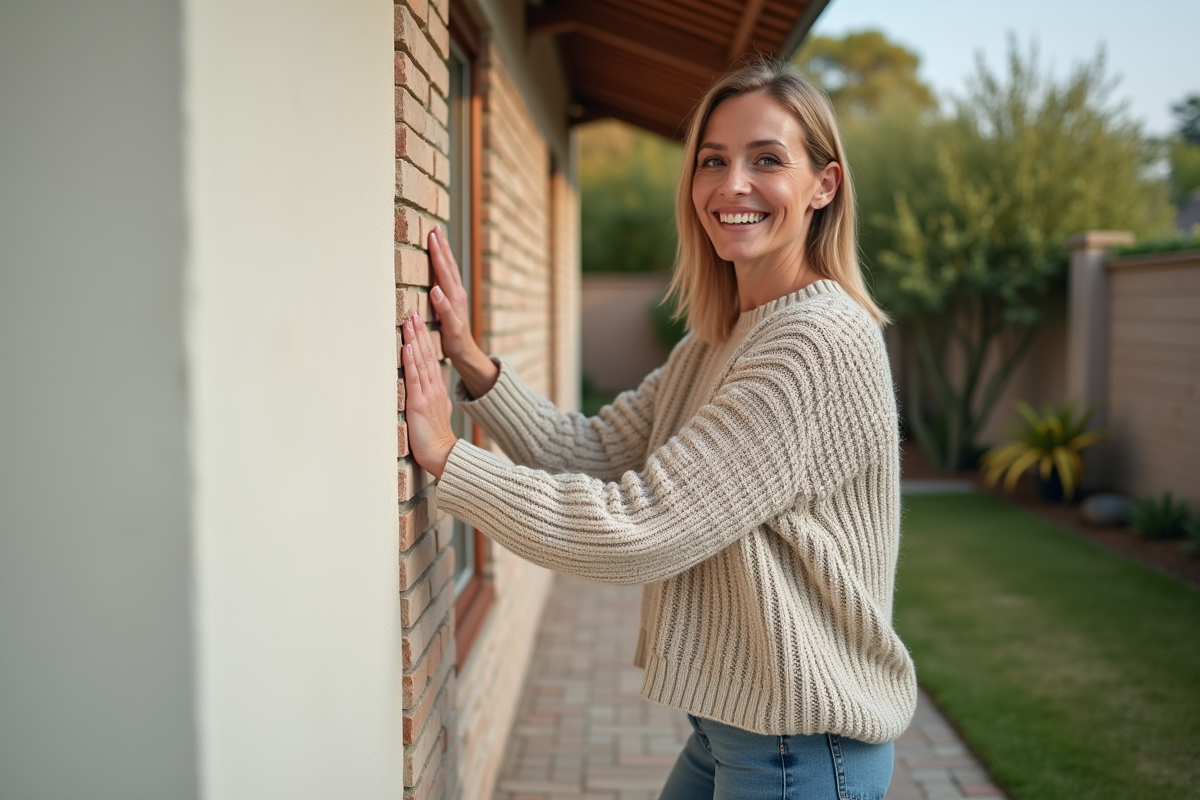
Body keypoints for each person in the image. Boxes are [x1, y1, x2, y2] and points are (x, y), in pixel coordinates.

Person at [401, 58, 917, 800]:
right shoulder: (718, 342)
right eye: (713, 160)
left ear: (824, 186)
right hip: (736, 731)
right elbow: (591, 454)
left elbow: (642, 527)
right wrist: (474, 366)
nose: (731, 184)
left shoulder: (814, 341)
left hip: (800, 750)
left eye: (766, 159)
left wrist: (450, 462)